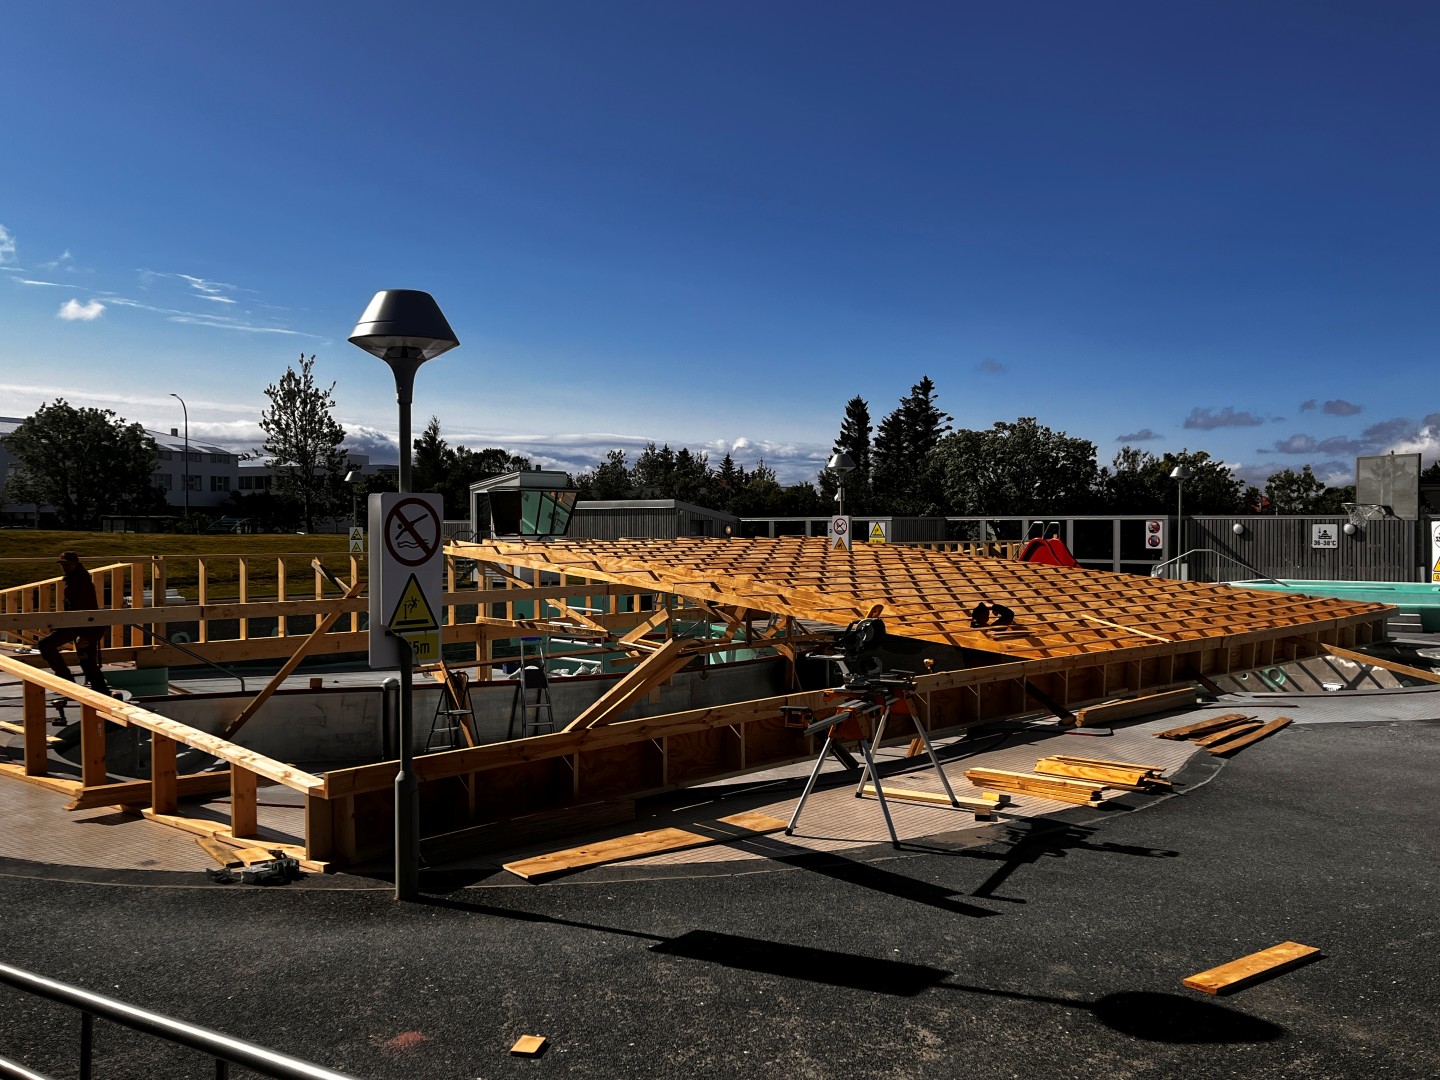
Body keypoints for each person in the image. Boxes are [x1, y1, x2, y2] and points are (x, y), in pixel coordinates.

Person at [37, 551, 111, 697]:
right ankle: (84, 686)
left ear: (76, 564)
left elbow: (87, 610)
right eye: (63, 565)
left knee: (85, 659)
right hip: (76, 624)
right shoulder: (74, 579)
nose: (65, 567)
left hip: (86, 627)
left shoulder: (80, 582)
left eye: (68, 564)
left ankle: (73, 683)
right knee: (85, 660)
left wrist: (85, 636)